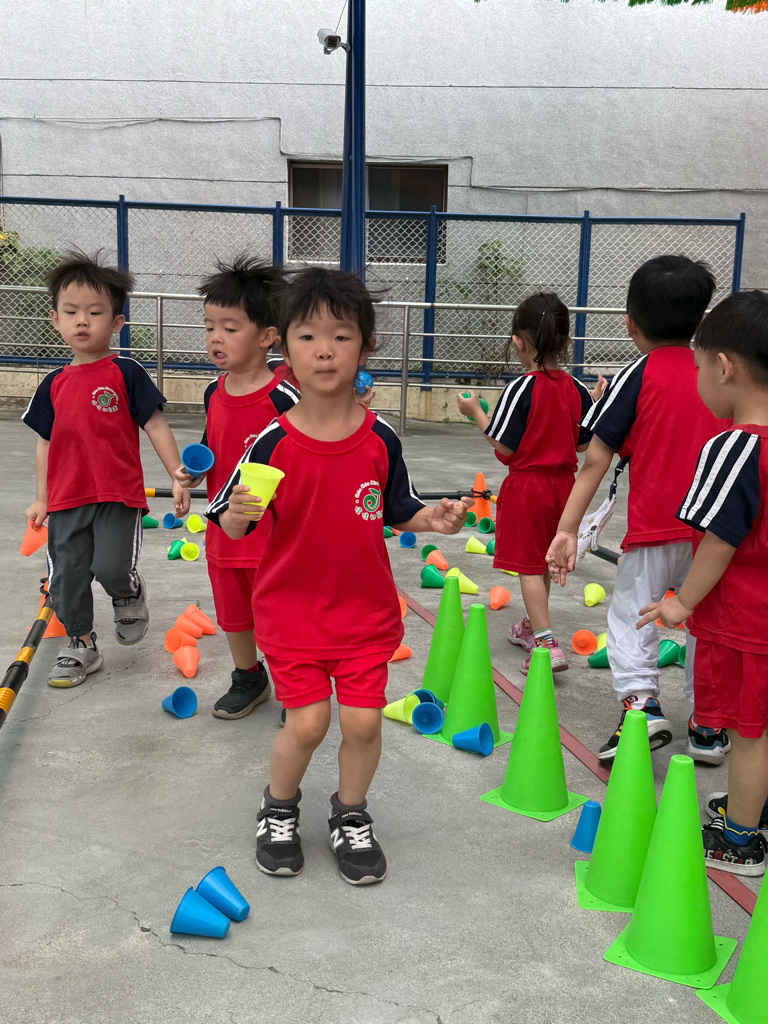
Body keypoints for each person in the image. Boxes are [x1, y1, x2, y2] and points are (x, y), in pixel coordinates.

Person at [206, 267, 471, 885]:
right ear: (285, 347)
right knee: (307, 723)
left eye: (341, 336)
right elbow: (230, 522)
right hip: (292, 614)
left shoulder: (380, 438)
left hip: (363, 614)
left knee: (363, 721)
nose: (323, 351)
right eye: (307, 337)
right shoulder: (271, 442)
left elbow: (400, 507)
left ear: (366, 346)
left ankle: (350, 813)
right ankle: (278, 809)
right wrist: (239, 514)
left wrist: (433, 519)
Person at [546, 255, 729, 763]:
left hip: (654, 530)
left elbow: (596, 459)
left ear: (630, 322)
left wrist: (568, 529)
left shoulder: (636, 375)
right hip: (716, 535)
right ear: (701, 320)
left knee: (632, 616)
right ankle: (708, 725)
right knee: (707, 623)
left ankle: (642, 706)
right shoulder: (720, 373)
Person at [636, 290, 768, 876]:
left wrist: (681, 602)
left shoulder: (735, 447)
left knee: (750, 731)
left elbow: (720, 540)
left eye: (697, 367)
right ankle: (754, 806)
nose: (697, 381)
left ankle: (739, 838)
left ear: (724, 367)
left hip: (746, 621)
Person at [22, 250, 188, 687]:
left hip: (117, 493)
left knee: (112, 567)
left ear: (116, 323)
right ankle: (81, 645)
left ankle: (128, 593)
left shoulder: (125, 372)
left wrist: (176, 474)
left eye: (95, 313)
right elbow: (45, 443)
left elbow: (154, 423)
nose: (82, 321)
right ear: (55, 320)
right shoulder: (52, 384)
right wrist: (41, 497)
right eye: (71, 312)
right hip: (66, 499)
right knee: (66, 579)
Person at [176, 256, 299, 720]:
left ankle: (295, 686)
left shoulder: (285, 398)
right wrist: (192, 474)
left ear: (267, 336)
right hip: (224, 529)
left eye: (229, 328)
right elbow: (214, 446)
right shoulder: (214, 391)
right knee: (233, 611)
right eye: (210, 327)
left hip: (276, 534)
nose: (216, 338)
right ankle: (249, 676)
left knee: (282, 612)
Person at [457, 292, 601, 675]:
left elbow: (504, 444)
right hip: (565, 489)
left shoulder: (521, 388)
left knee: (528, 566)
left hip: (527, 488)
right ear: (565, 342)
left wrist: (475, 413)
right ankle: (534, 626)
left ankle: (546, 643)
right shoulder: (577, 388)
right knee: (545, 558)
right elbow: (584, 443)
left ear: (518, 343)